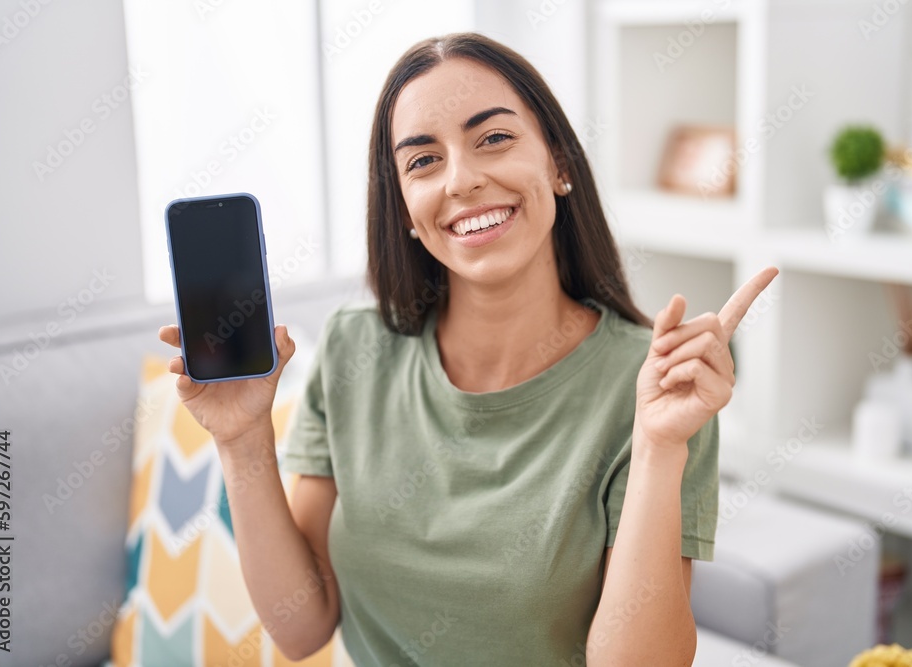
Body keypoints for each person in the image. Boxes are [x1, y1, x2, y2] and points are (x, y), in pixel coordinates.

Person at [159, 31, 778, 666]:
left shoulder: (656, 387)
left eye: (494, 138)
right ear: (403, 205)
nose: (462, 180)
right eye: (423, 161)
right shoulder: (354, 348)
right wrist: (240, 441)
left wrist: (658, 445)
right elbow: (300, 629)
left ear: (558, 164)